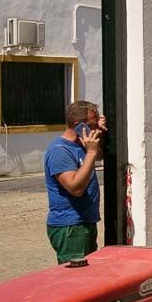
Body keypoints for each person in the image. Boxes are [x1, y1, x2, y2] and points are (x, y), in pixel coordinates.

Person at [44, 100, 106, 263]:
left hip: (84, 222)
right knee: (75, 279)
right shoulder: (59, 151)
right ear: (79, 126)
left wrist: (99, 132)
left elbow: (100, 156)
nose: (94, 129)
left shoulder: (81, 144)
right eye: (91, 125)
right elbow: (75, 188)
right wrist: (91, 153)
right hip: (70, 226)